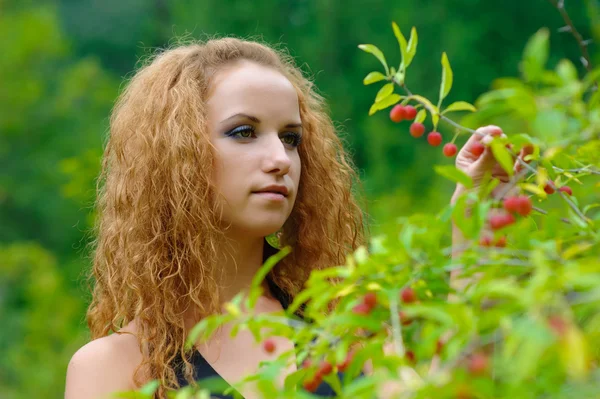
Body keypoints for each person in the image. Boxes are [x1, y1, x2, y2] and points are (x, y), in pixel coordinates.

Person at [64, 37, 521, 399]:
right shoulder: (117, 367)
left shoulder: (342, 337)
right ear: (173, 156)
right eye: (244, 132)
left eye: (290, 137)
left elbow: (461, 391)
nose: (279, 158)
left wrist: (476, 223)